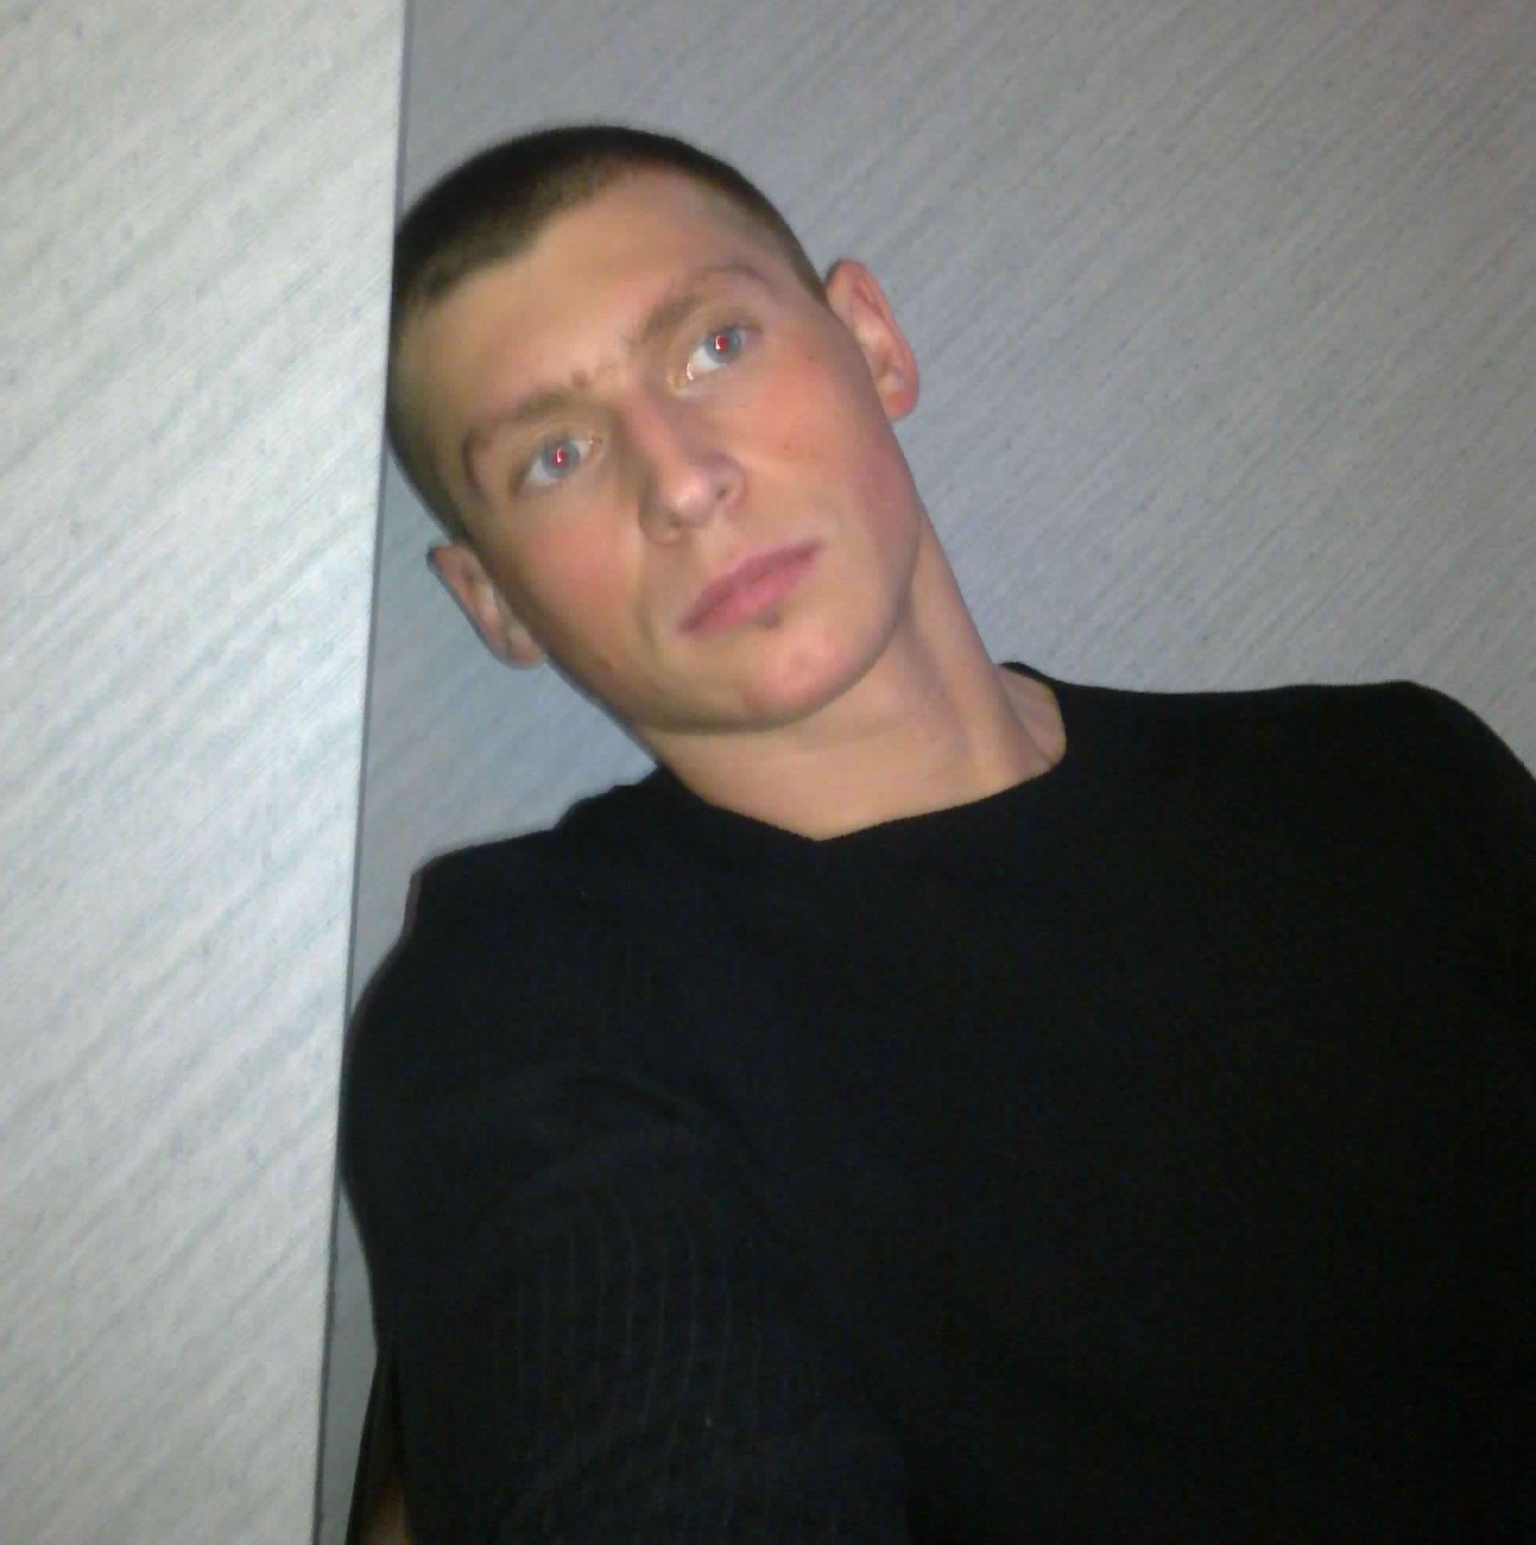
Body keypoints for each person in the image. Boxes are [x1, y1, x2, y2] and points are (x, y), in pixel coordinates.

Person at [340, 124, 1536, 1544]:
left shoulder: (1397, 779)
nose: (680, 481)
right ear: (494, 603)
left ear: (873, 343)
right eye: (555, 456)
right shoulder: (516, 1006)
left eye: (715, 345)